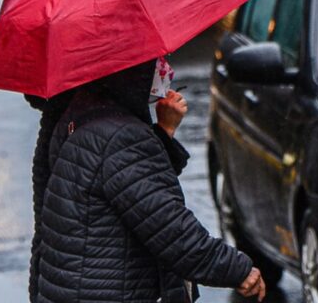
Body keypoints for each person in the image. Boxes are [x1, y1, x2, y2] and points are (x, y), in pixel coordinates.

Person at [26, 59, 266, 303]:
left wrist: (162, 133)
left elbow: (131, 188)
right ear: (129, 69)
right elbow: (168, 226)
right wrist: (236, 269)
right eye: (154, 61)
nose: (164, 69)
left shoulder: (74, 113)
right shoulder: (121, 136)